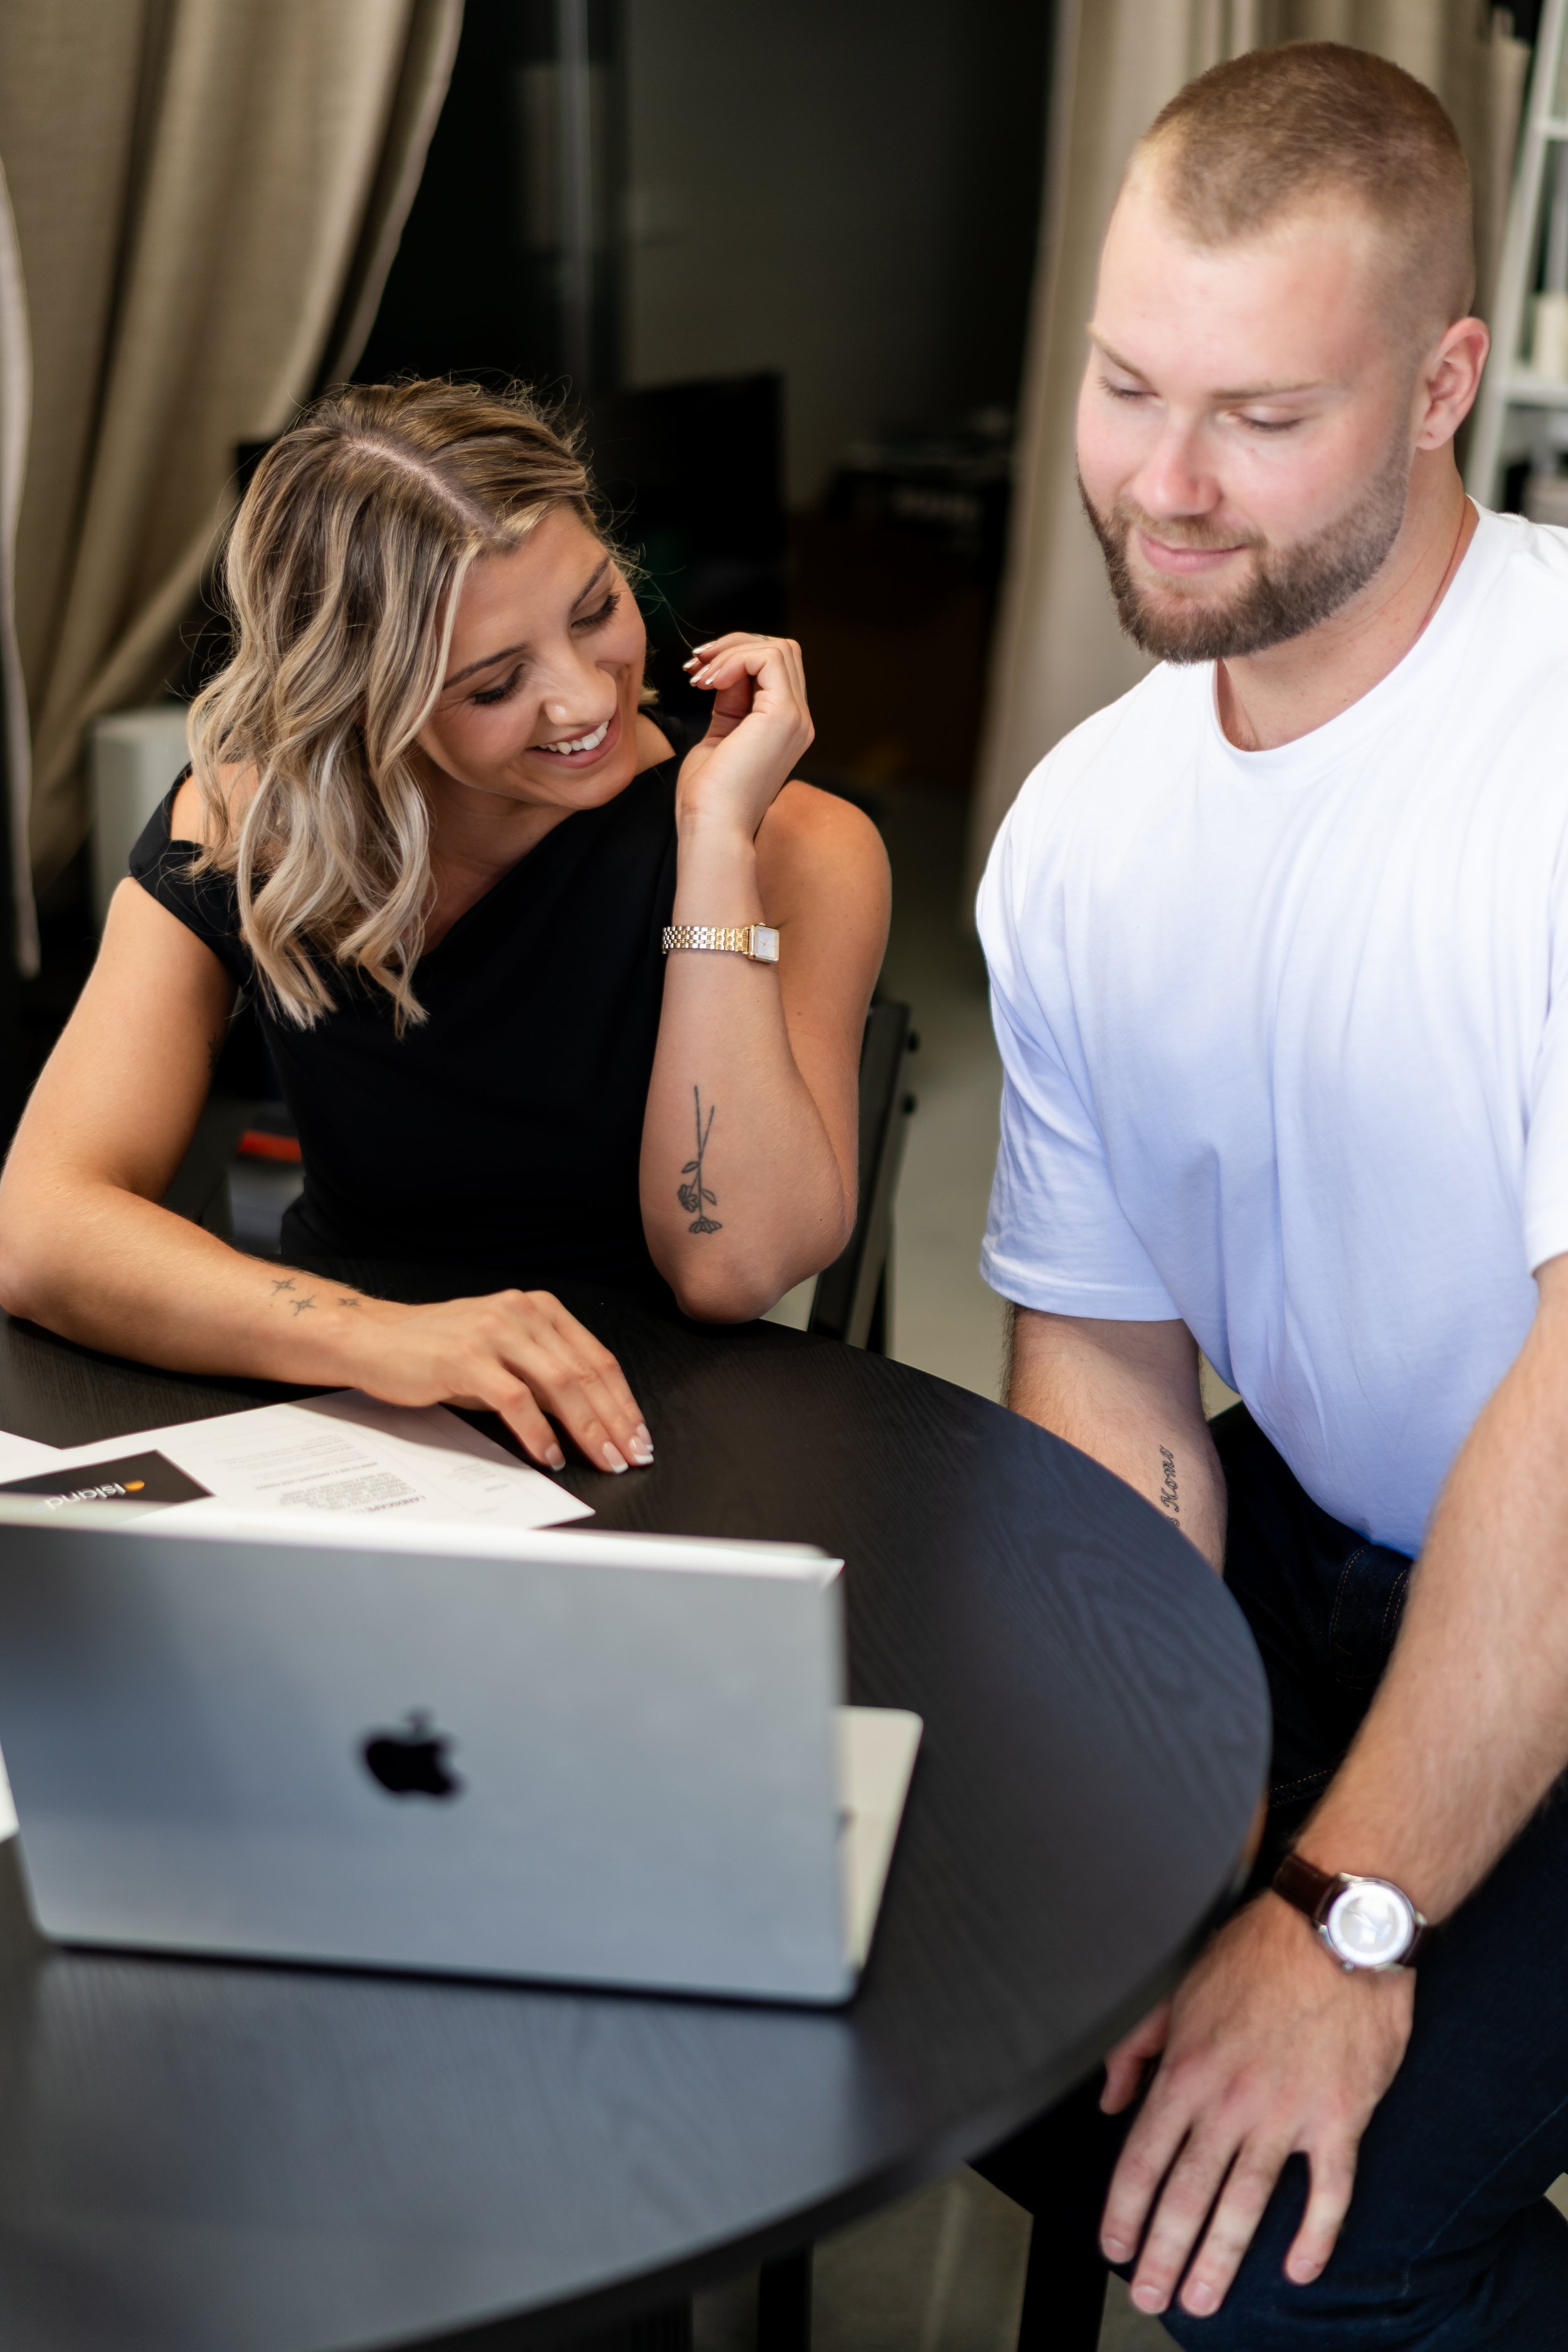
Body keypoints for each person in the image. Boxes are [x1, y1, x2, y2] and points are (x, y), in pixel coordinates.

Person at [973, 40, 1568, 2351]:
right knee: (984, 2051)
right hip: (1337, 1546)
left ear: (1445, 381)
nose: (1167, 487)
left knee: (1296, 2248)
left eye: (1263, 418)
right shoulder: (1085, 835)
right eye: (1130, 385)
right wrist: (1157, 1812)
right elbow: (1112, 1375)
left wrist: (1340, 1915)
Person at [0, 381, 889, 1474]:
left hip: (649, 1429)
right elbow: (38, 1226)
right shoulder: (253, 824)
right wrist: (382, 1338)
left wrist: (711, 838)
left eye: (596, 607)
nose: (583, 700)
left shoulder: (801, 846)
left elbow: (729, 1269)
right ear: (363, 703)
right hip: (348, 1408)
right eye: (495, 683)